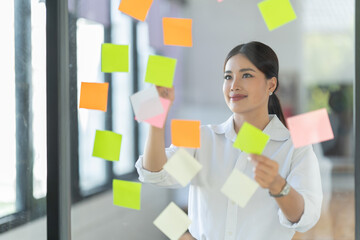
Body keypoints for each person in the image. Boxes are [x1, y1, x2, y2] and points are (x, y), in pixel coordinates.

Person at [135, 41, 323, 240]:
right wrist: (157, 119)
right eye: (228, 77)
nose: (234, 85)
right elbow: (156, 173)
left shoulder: (293, 146)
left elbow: (304, 218)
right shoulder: (202, 138)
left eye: (247, 75)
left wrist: (278, 185)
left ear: (271, 84)